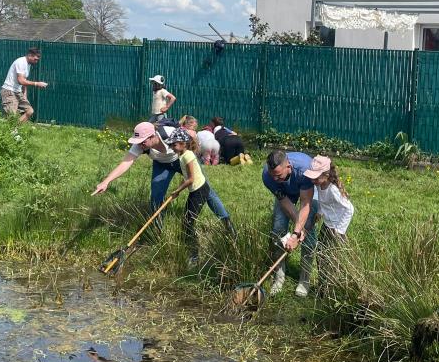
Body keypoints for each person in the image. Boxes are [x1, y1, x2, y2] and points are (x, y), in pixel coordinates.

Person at [92, 121, 236, 237]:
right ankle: (157, 231)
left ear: (152, 136)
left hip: (181, 160)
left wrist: (192, 154)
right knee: (156, 195)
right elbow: (125, 163)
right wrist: (106, 181)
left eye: (142, 141)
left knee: (206, 189)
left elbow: (189, 138)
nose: (140, 145)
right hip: (162, 165)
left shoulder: (169, 133)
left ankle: (227, 222)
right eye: (138, 142)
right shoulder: (140, 146)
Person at [262, 150, 319, 297]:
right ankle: (279, 277)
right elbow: (284, 201)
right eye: (273, 175)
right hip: (287, 193)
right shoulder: (268, 176)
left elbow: (305, 203)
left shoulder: (305, 170)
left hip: (308, 189)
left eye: (278, 175)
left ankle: (304, 280)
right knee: (277, 229)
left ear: (289, 166)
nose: (275, 179)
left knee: (309, 232)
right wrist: (296, 232)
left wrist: (299, 231)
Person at [303, 156, 354, 296]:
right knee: (321, 255)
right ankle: (323, 286)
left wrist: (339, 230)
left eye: (316, 178)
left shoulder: (333, 190)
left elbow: (349, 209)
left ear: (326, 175)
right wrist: (319, 212)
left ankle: (333, 289)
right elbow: (322, 201)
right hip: (326, 225)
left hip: (336, 229)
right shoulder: (320, 185)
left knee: (333, 258)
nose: (313, 181)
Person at [166, 128, 211, 266]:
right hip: (195, 190)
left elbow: (191, 179)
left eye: (174, 144)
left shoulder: (188, 156)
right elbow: (186, 176)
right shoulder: (182, 155)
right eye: (171, 145)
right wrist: (178, 190)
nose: (172, 147)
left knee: (188, 222)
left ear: (183, 143)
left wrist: (178, 190)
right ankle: (187, 248)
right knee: (186, 220)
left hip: (200, 190)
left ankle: (194, 255)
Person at [0, 47, 48, 123]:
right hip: (9, 91)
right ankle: (10, 129)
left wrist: (24, 94)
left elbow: (24, 81)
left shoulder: (28, 64)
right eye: (35, 59)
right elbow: (21, 81)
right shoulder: (21, 62)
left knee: (29, 111)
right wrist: (37, 83)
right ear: (30, 55)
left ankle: (14, 128)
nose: (36, 61)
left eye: (37, 60)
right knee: (11, 117)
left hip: (18, 92)